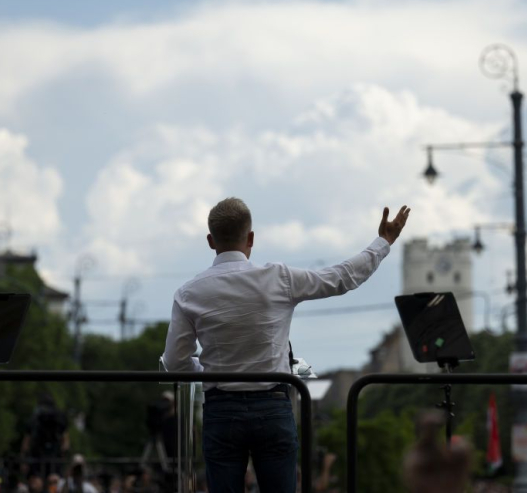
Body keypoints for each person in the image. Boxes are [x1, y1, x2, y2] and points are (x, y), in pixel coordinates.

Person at [162, 197, 410, 493]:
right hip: (272, 406)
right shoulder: (278, 278)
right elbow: (342, 278)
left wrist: (208, 369)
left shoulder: (188, 293)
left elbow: (175, 363)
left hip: (221, 411)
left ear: (210, 240)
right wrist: (383, 242)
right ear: (251, 238)